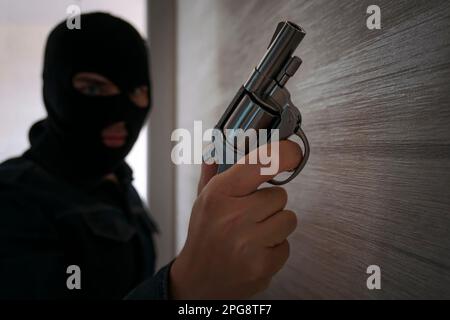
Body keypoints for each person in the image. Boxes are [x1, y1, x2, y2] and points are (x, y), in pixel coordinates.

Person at [0, 12, 302, 299]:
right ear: (52, 89)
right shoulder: (11, 196)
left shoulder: (119, 181)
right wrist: (184, 288)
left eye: (136, 91)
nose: (121, 112)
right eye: (94, 88)